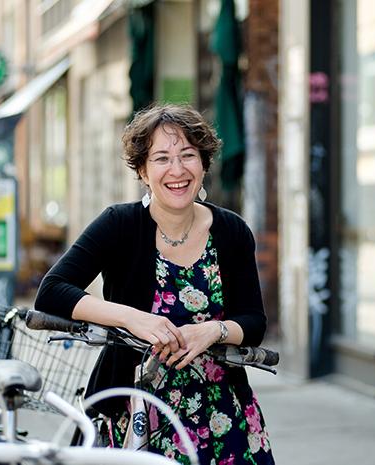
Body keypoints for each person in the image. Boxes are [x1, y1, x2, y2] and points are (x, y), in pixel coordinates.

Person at [34, 103, 274, 464]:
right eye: (161, 158)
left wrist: (214, 331)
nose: (177, 170)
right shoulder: (119, 224)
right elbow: (51, 291)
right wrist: (132, 318)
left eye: (188, 155)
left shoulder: (232, 231)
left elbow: (253, 322)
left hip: (222, 414)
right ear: (143, 171)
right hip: (136, 412)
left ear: (204, 164)